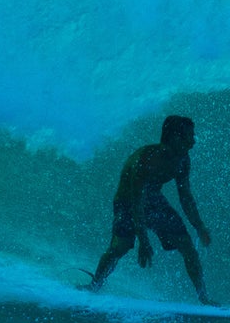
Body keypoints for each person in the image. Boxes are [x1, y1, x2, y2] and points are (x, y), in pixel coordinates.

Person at [87, 114, 214, 304]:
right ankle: (94, 286)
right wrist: (143, 241)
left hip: (154, 201)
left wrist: (200, 226)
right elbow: (136, 203)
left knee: (188, 247)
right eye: (189, 137)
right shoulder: (145, 160)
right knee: (119, 248)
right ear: (175, 138)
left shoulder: (182, 160)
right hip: (128, 201)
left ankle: (204, 299)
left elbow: (186, 197)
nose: (193, 142)